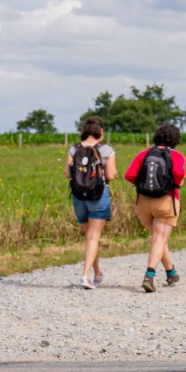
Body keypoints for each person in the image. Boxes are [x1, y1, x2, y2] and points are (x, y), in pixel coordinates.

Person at [123, 123, 186, 291]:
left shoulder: (144, 154)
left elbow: (129, 175)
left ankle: (171, 273)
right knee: (159, 239)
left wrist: (142, 185)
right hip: (166, 201)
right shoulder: (176, 155)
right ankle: (149, 277)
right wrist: (178, 183)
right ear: (175, 139)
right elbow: (179, 173)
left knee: (159, 239)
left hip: (144, 203)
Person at [65, 116, 116, 289]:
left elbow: (67, 174)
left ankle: (98, 273)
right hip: (98, 195)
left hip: (79, 196)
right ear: (100, 132)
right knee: (94, 237)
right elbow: (110, 175)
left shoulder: (73, 149)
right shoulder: (107, 150)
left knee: (90, 237)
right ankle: (85, 276)